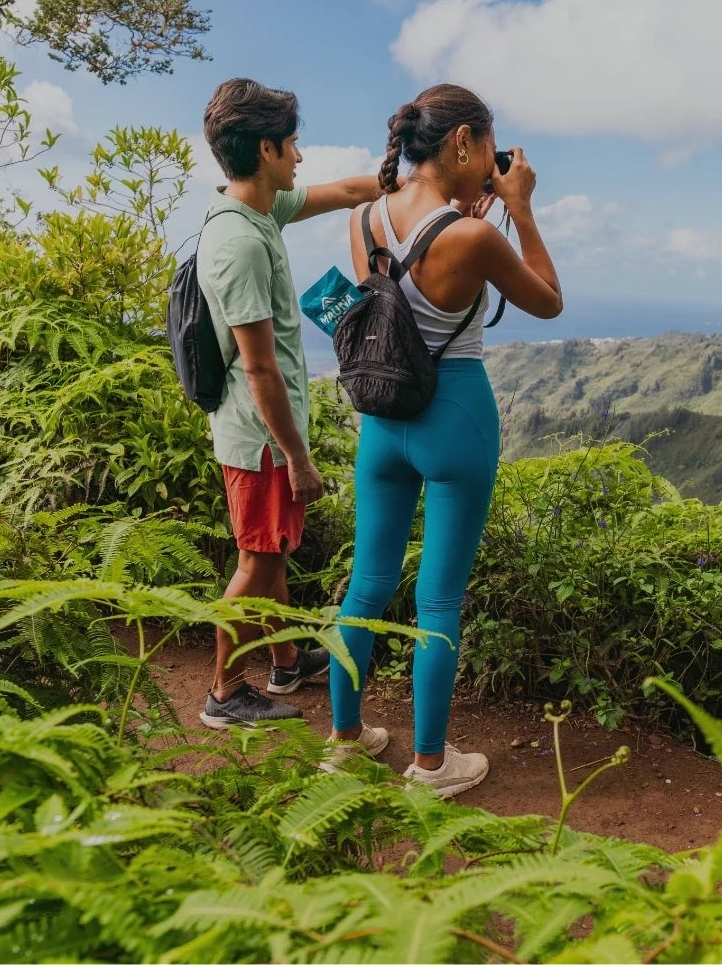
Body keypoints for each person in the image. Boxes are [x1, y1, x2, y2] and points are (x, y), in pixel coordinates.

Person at [328, 84, 563, 796]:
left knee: (365, 584)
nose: (495, 163)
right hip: (454, 416)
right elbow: (547, 301)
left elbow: (392, 289)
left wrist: (465, 216)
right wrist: (518, 209)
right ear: (462, 143)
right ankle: (430, 764)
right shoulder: (475, 235)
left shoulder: (365, 217)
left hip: (383, 416)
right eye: (489, 150)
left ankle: (343, 740)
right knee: (437, 601)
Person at [195, 78, 389, 730]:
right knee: (256, 562)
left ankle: (281, 661)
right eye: (294, 145)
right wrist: (297, 458)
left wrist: (408, 182)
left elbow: (345, 194)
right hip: (260, 438)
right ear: (266, 149)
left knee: (272, 552)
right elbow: (258, 368)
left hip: (261, 434)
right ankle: (223, 693)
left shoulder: (257, 212)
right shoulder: (241, 243)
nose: (301, 158)